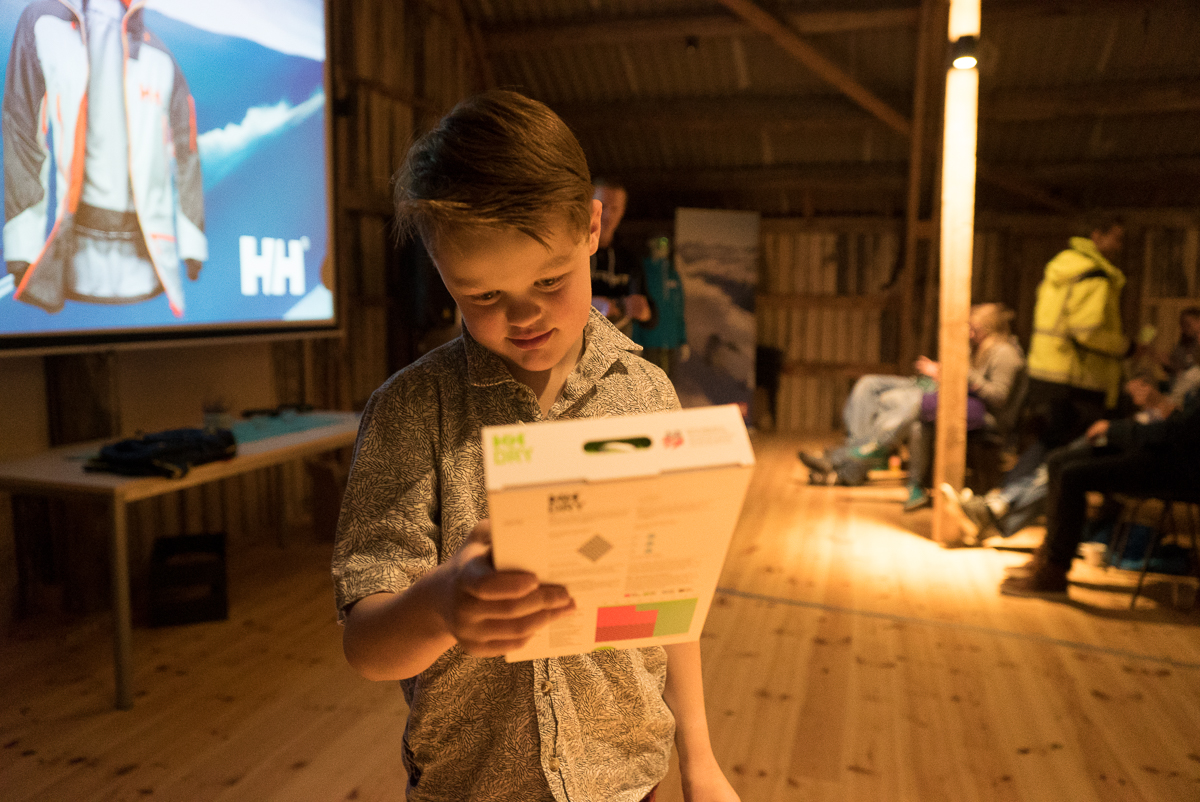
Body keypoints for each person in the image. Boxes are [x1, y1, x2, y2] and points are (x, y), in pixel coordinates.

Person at [331, 91, 739, 802]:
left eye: (550, 281)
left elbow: (672, 601)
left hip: (626, 779)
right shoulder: (411, 412)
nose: (523, 316)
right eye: (482, 296)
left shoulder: (646, 395)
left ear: (592, 226)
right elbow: (366, 644)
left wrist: (699, 758)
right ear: (441, 269)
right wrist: (439, 605)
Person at [4, 0, 207, 316]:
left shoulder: (160, 57)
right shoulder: (44, 21)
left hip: (146, 268)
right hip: (70, 259)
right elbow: (21, 130)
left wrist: (192, 242)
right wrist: (21, 245)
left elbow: (187, 150)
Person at [993, 381, 1200, 597]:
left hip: (1181, 469)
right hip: (1165, 453)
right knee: (1058, 460)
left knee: (1072, 475)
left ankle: (1054, 572)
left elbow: (1181, 433)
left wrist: (1116, 430)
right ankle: (1048, 556)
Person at [941, 364, 1183, 546]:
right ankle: (993, 515)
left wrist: (1119, 426)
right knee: (1058, 460)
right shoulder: (1164, 398)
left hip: (1155, 465)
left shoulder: (1181, 398)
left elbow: (1174, 431)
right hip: (1132, 449)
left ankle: (994, 513)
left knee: (1063, 467)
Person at [903, 303, 1025, 511]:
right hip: (975, 410)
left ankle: (877, 450)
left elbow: (998, 397)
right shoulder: (983, 349)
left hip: (991, 418)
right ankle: (917, 487)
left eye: (974, 329)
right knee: (920, 424)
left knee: (921, 410)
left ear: (988, 329)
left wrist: (964, 371)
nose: (970, 334)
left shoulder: (1004, 353)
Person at [590, 177, 654, 335]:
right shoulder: (571, 251)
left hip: (616, 345)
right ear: (588, 206)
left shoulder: (629, 258)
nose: (608, 215)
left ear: (622, 211)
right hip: (574, 345)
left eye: (615, 209)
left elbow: (651, 317)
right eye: (603, 207)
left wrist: (643, 311)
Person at [633, 235, 689, 379]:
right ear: (650, 244)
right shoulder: (643, 273)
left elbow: (679, 310)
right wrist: (636, 342)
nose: (662, 247)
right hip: (649, 342)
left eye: (665, 243)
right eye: (658, 243)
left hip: (671, 343)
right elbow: (636, 308)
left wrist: (682, 340)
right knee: (650, 385)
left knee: (670, 385)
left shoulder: (673, 275)